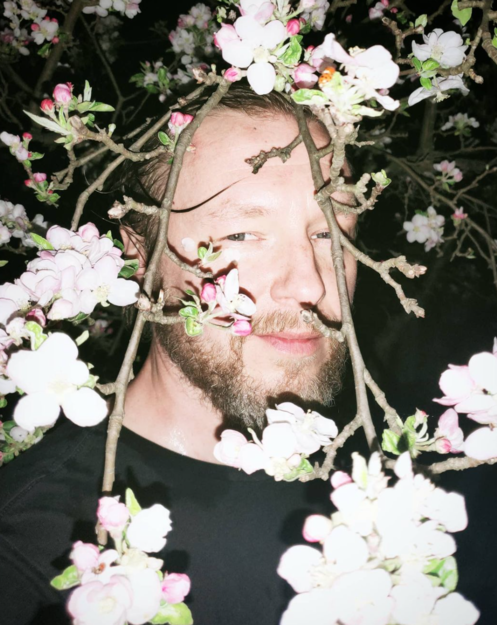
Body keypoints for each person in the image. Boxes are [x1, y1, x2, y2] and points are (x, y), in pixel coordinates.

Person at [0, 87, 358, 625]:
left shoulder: (388, 504)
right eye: (242, 233)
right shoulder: (27, 551)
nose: (309, 285)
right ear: (140, 254)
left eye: (330, 232)